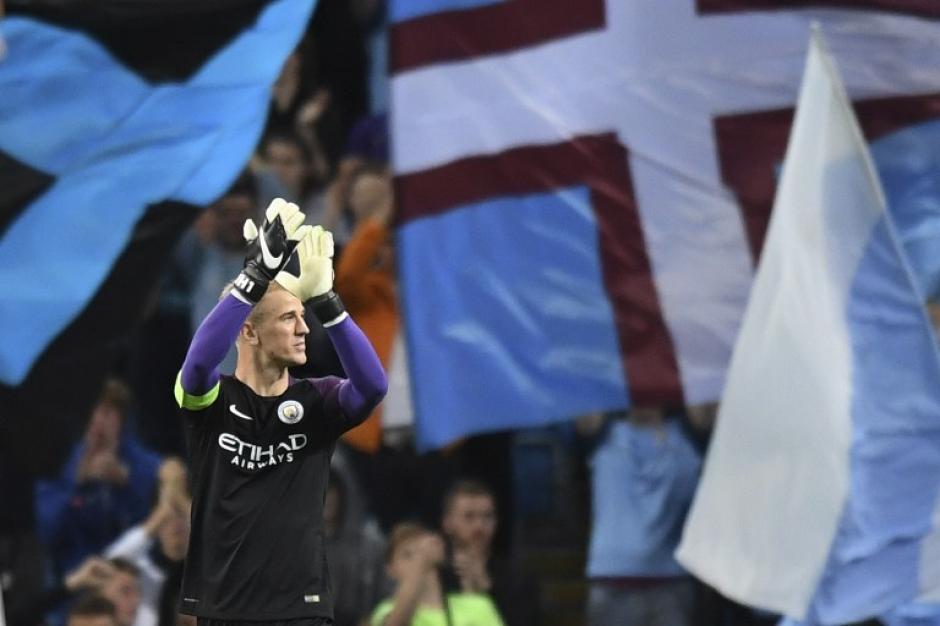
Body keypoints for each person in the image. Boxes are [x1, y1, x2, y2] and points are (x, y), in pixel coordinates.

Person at [174, 198, 387, 624]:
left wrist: (327, 301)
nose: (305, 327)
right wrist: (253, 278)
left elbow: (372, 386)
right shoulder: (213, 401)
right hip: (226, 609)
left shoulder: (317, 401)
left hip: (301, 611)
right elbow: (197, 365)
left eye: (303, 316)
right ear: (248, 330)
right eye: (290, 318)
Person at [581, 408, 701, 626]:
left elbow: (708, 389)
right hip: (613, 582)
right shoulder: (603, 431)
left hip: (671, 582)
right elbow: (582, 395)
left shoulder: (688, 433)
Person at [36, 379, 162, 578]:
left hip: (134, 573)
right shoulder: (58, 463)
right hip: (77, 579)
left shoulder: (141, 464)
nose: (98, 421)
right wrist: (76, 483)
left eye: (107, 412)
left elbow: (154, 524)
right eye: (91, 411)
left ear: (121, 420)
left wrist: (125, 483)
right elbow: (45, 533)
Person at [440, 480, 540, 626]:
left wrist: (488, 589)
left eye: (488, 517)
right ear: (447, 523)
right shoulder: (435, 576)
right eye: (469, 516)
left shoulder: (520, 577)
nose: (479, 526)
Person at [106, 458, 191, 626]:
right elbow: (110, 562)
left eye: (180, 511)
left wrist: (180, 499)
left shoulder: (212, 568)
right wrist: (165, 507)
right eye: (168, 515)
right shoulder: (142, 574)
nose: (175, 522)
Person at [370, 523, 504, 626]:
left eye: (423, 550)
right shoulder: (386, 610)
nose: (419, 558)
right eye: (407, 555)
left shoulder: (477, 605)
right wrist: (421, 564)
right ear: (391, 569)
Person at [324, 454, 389, 626]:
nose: (326, 496)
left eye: (331, 488)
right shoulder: (295, 547)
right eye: (316, 488)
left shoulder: (370, 544)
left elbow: (386, 598)